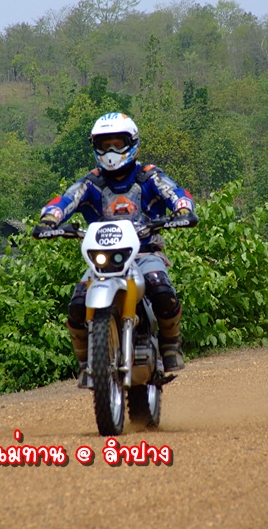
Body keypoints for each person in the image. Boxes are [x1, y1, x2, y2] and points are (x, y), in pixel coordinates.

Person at [38, 112, 195, 387]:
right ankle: (86, 361)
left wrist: (183, 209)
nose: (110, 151)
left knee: (159, 285)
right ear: (95, 147)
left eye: (117, 143)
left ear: (132, 143)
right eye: (104, 144)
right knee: (77, 304)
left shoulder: (149, 177)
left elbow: (177, 193)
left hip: (144, 252)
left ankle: (171, 344)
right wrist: (50, 218)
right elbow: (65, 200)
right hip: (103, 261)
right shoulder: (91, 183)